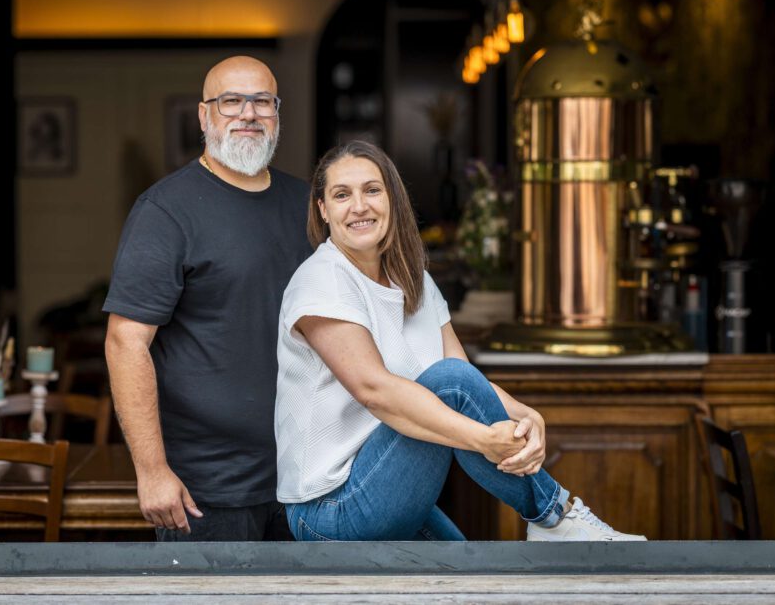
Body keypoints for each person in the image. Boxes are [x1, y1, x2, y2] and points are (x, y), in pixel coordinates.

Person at [275, 140, 645, 541]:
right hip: (331, 508)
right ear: (323, 210)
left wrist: (525, 415)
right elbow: (374, 390)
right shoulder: (322, 279)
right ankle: (554, 516)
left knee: (466, 583)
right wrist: (483, 440)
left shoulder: (411, 276)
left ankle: (551, 518)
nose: (359, 206)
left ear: (392, 200)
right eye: (342, 195)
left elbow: (467, 380)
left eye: (372, 190)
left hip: (384, 482)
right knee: (446, 380)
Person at [103, 56, 311, 541]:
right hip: (205, 489)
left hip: (307, 474)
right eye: (231, 101)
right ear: (204, 116)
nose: (248, 113)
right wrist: (152, 471)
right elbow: (124, 343)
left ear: (278, 114)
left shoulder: (308, 206)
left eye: (263, 101)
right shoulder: (165, 211)